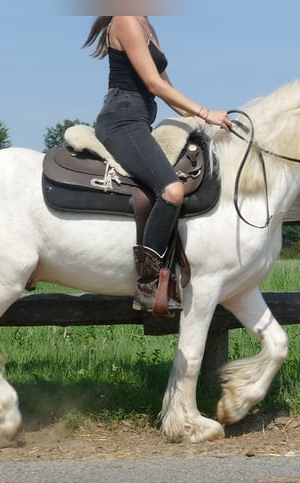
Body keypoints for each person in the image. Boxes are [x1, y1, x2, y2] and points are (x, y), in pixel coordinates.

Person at [83, 15, 232, 316]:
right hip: (121, 121)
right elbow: (152, 84)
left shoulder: (147, 25)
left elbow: (167, 88)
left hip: (139, 120)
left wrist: (206, 122)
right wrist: (205, 112)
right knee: (172, 190)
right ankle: (148, 284)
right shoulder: (125, 20)